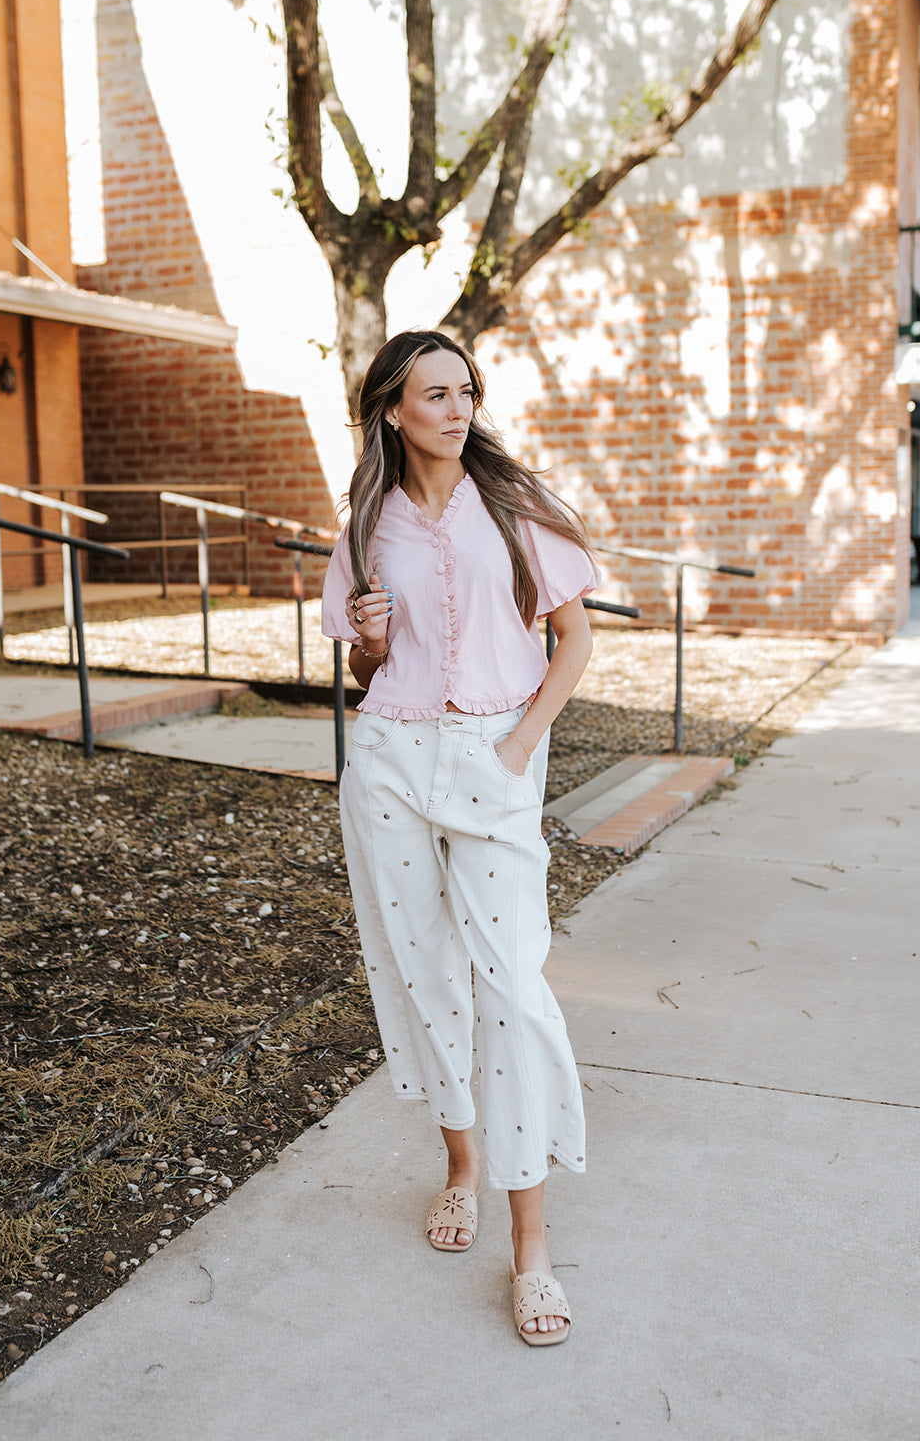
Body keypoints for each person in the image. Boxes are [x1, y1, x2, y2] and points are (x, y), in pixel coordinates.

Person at [321, 328, 598, 1346]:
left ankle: (531, 1247)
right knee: (422, 968)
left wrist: (519, 746)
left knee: (511, 986)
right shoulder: (366, 519)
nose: (456, 408)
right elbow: (367, 669)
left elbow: (573, 639)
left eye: (465, 391)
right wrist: (371, 639)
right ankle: (461, 1164)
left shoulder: (516, 506)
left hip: (493, 755)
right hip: (389, 756)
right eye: (434, 393)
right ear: (392, 409)